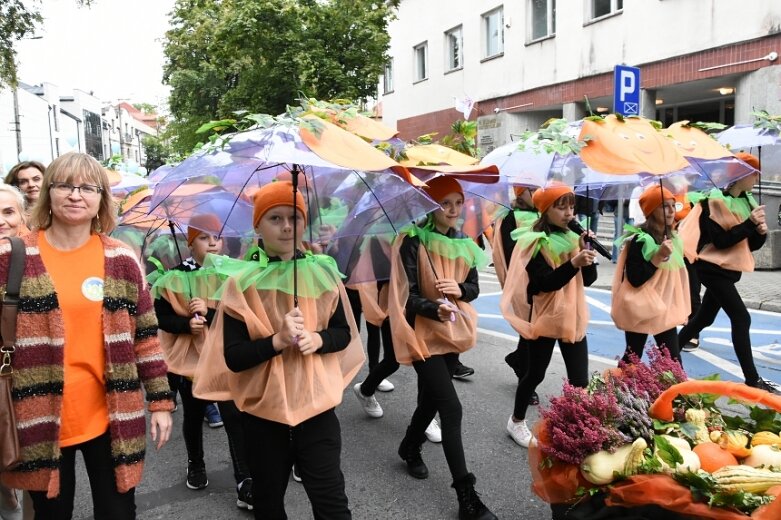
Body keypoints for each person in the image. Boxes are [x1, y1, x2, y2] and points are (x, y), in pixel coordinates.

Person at [0, 152, 174, 519]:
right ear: (49, 192)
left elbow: (145, 336)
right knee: (51, 514)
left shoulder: (121, 259)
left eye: (87, 187)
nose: (76, 195)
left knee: (118, 511)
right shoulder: (13, 256)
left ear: (101, 199)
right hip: (37, 418)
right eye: (65, 185)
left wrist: (160, 402)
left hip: (111, 417)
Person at [194, 180, 364, 520]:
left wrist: (318, 340)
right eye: (275, 218)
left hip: (316, 409)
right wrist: (276, 341)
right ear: (257, 225)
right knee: (269, 505)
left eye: (294, 217)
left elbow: (344, 333)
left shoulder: (322, 272)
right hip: (262, 415)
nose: (287, 226)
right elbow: (235, 357)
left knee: (332, 504)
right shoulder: (241, 282)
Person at [388, 176, 497, 520]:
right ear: (431, 206)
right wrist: (434, 306)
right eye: (444, 203)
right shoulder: (412, 242)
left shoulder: (466, 241)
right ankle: (466, 497)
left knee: (431, 400)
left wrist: (460, 290)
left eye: (457, 202)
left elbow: (474, 287)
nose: (452, 209)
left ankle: (409, 445)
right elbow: (405, 297)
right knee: (451, 409)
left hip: (452, 333)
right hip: (423, 333)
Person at [151, 214, 252, 510]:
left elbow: (243, 315)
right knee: (193, 416)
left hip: (224, 358)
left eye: (216, 237)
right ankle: (195, 462)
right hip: (191, 363)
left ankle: (244, 479)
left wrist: (208, 313)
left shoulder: (233, 273)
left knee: (234, 417)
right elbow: (160, 317)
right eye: (204, 238)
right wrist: (185, 324)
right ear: (189, 242)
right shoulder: (173, 278)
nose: (213, 243)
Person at [500, 184, 597, 448]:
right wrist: (573, 263)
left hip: (573, 315)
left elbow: (589, 280)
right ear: (545, 209)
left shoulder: (574, 238)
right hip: (544, 315)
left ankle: (580, 430)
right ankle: (516, 421)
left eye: (571, 206)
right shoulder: (534, 240)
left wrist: (586, 253)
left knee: (580, 381)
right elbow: (544, 282)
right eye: (560, 206)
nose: (568, 212)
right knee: (534, 375)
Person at [677, 153, 779, 393]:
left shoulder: (747, 201)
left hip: (728, 270)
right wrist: (749, 225)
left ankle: (669, 350)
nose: (757, 177)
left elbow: (749, 245)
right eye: (754, 173)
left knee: (705, 318)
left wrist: (760, 232)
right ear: (741, 175)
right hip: (711, 268)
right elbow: (721, 241)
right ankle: (752, 379)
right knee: (742, 318)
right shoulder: (715, 201)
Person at [611, 185, 689, 364]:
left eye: (673, 205)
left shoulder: (674, 239)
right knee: (633, 357)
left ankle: (675, 393)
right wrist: (658, 257)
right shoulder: (640, 239)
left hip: (663, 307)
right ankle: (616, 391)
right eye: (664, 206)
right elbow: (635, 278)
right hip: (641, 306)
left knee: (673, 361)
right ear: (652, 211)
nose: (671, 211)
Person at [492, 186, 540, 404]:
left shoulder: (543, 213)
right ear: (522, 194)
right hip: (522, 277)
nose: (538, 193)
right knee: (529, 324)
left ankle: (519, 360)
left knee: (534, 325)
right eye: (532, 190)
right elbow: (509, 251)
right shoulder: (510, 216)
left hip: (543, 276)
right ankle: (525, 375)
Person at [0, 184, 27, 520]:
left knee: (25, 464)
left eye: (8, 212)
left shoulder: (32, 259)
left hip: (20, 377)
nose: (1, 221)